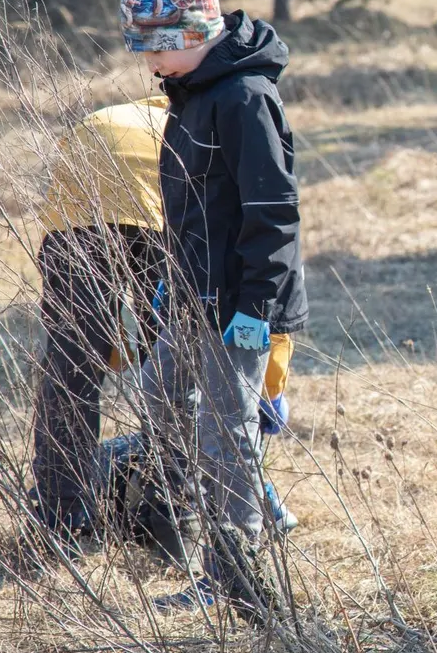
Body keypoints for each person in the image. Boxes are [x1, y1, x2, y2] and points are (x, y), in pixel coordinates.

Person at [118, 0, 308, 623]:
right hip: (193, 293)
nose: (150, 64)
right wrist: (171, 281)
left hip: (240, 304)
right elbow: (190, 208)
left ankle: (234, 572)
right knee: (160, 391)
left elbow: (272, 211)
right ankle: (241, 517)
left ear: (189, 32)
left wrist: (257, 307)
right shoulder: (192, 95)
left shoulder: (244, 98)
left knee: (225, 432)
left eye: (155, 48)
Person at [30, 97, 300, 554]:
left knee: (69, 370)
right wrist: (270, 396)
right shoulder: (204, 124)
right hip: (156, 211)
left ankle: (60, 523)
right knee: (179, 376)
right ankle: (178, 521)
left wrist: (115, 350)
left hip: (73, 208)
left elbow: (108, 351)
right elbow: (266, 325)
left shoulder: (148, 114)